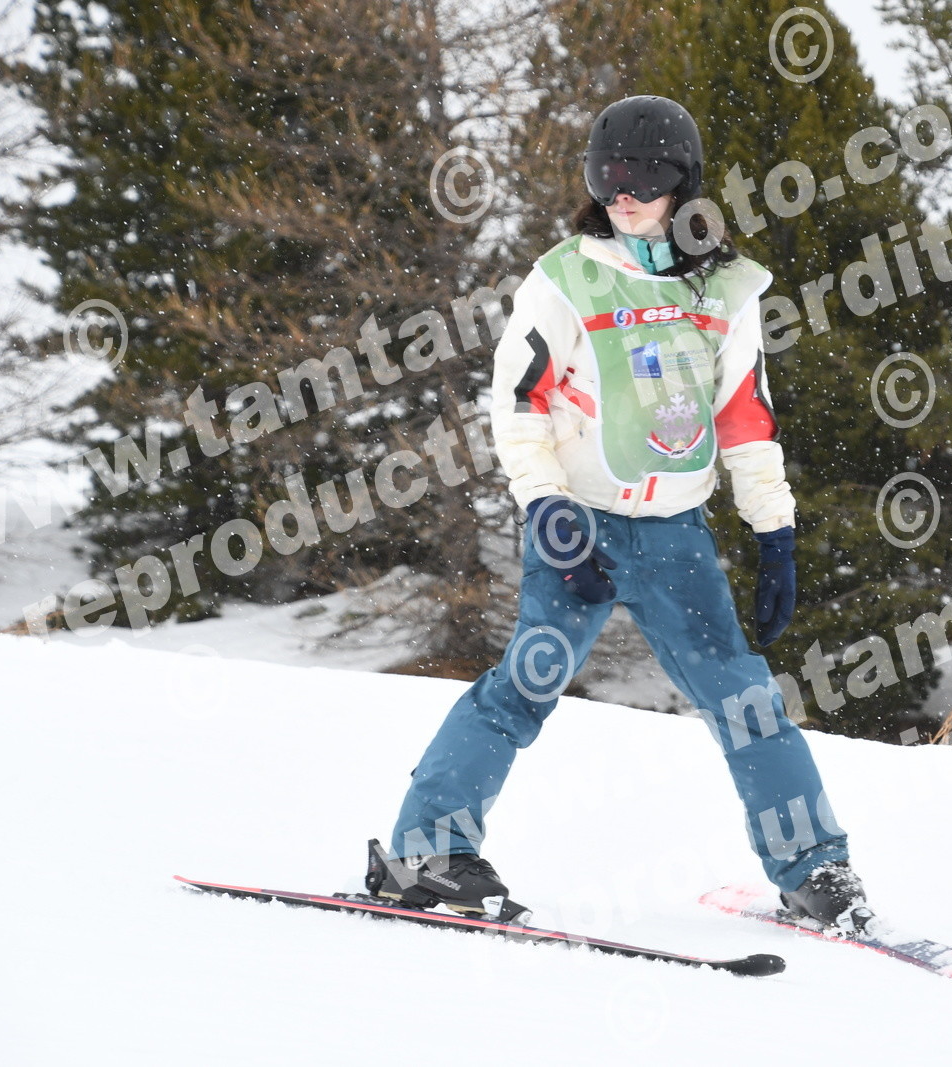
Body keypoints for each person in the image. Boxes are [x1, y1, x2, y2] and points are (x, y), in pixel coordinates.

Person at [363, 95, 873, 936]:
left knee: (746, 698)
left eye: (643, 175)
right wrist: (546, 508)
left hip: (676, 535)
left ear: (684, 182)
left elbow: (745, 417)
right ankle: (428, 851)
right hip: (580, 529)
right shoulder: (566, 279)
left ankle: (815, 869)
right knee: (524, 685)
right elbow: (518, 403)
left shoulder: (725, 288)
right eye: (607, 175)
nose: (623, 193)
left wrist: (774, 531)